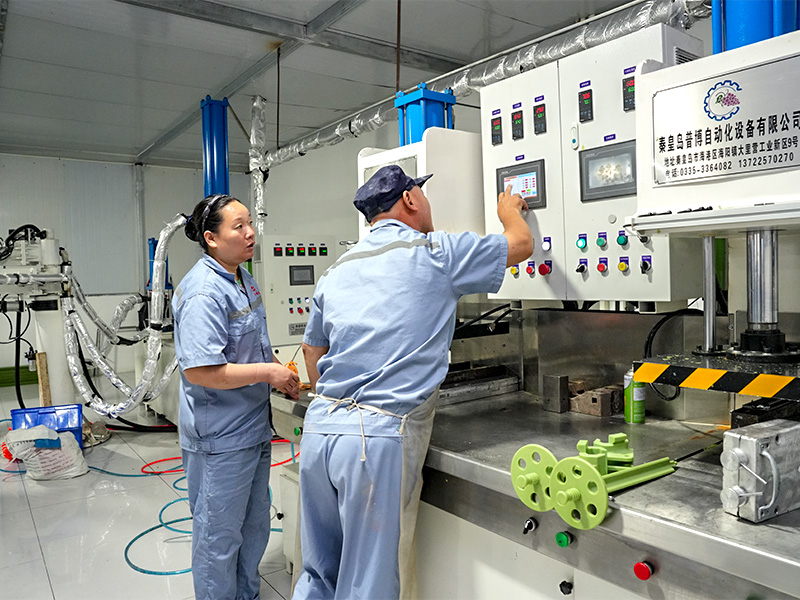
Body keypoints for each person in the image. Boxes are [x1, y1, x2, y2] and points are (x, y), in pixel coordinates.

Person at [294, 165, 532, 599]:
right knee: (367, 582)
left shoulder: (339, 268)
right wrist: (509, 211)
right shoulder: (436, 252)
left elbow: (313, 352)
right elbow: (520, 245)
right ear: (409, 199)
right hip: (374, 443)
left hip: (320, 430)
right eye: (422, 193)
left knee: (319, 574)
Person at [172, 194, 300, 600]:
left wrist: (277, 370)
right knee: (219, 536)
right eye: (239, 226)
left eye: (250, 223)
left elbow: (252, 344)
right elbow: (201, 371)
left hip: (253, 428)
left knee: (254, 524)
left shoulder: (243, 278)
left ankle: (246, 594)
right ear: (211, 238)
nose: (250, 233)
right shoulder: (203, 293)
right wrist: (268, 373)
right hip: (220, 438)